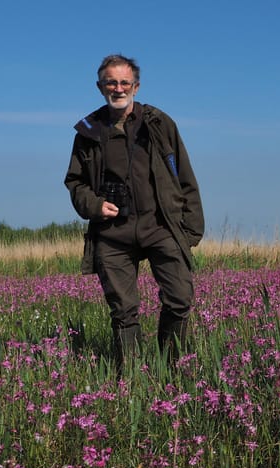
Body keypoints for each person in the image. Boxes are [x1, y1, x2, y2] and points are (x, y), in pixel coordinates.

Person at [64, 54, 204, 373]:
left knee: (180, 298)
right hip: (113, 233)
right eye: (111, 82)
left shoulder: (159, 123)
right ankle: (132, 377)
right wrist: (93, 205)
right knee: (124, 311)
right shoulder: (88, 132)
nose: (118, 88)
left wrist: (192, 229)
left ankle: (170, 368)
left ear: (136, 87)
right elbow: (75, 181)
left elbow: (184, 174)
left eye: (124, 82)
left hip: (161, 226)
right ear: (100, 87)